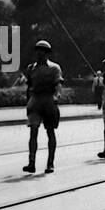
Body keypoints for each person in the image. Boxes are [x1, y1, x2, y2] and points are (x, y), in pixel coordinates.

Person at [22, 40, 63, 174]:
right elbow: (29, 86)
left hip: (49, 100)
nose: (39, 53)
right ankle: (31, 162)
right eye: (38, 50)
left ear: (47, 53)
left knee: (50, 131)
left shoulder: (54, 68)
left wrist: (56, 96)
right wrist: (28, 101)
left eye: (42, 51)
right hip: (35, 101)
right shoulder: (31, 68)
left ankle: (50, 163)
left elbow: (58, 84)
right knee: (33, 131)